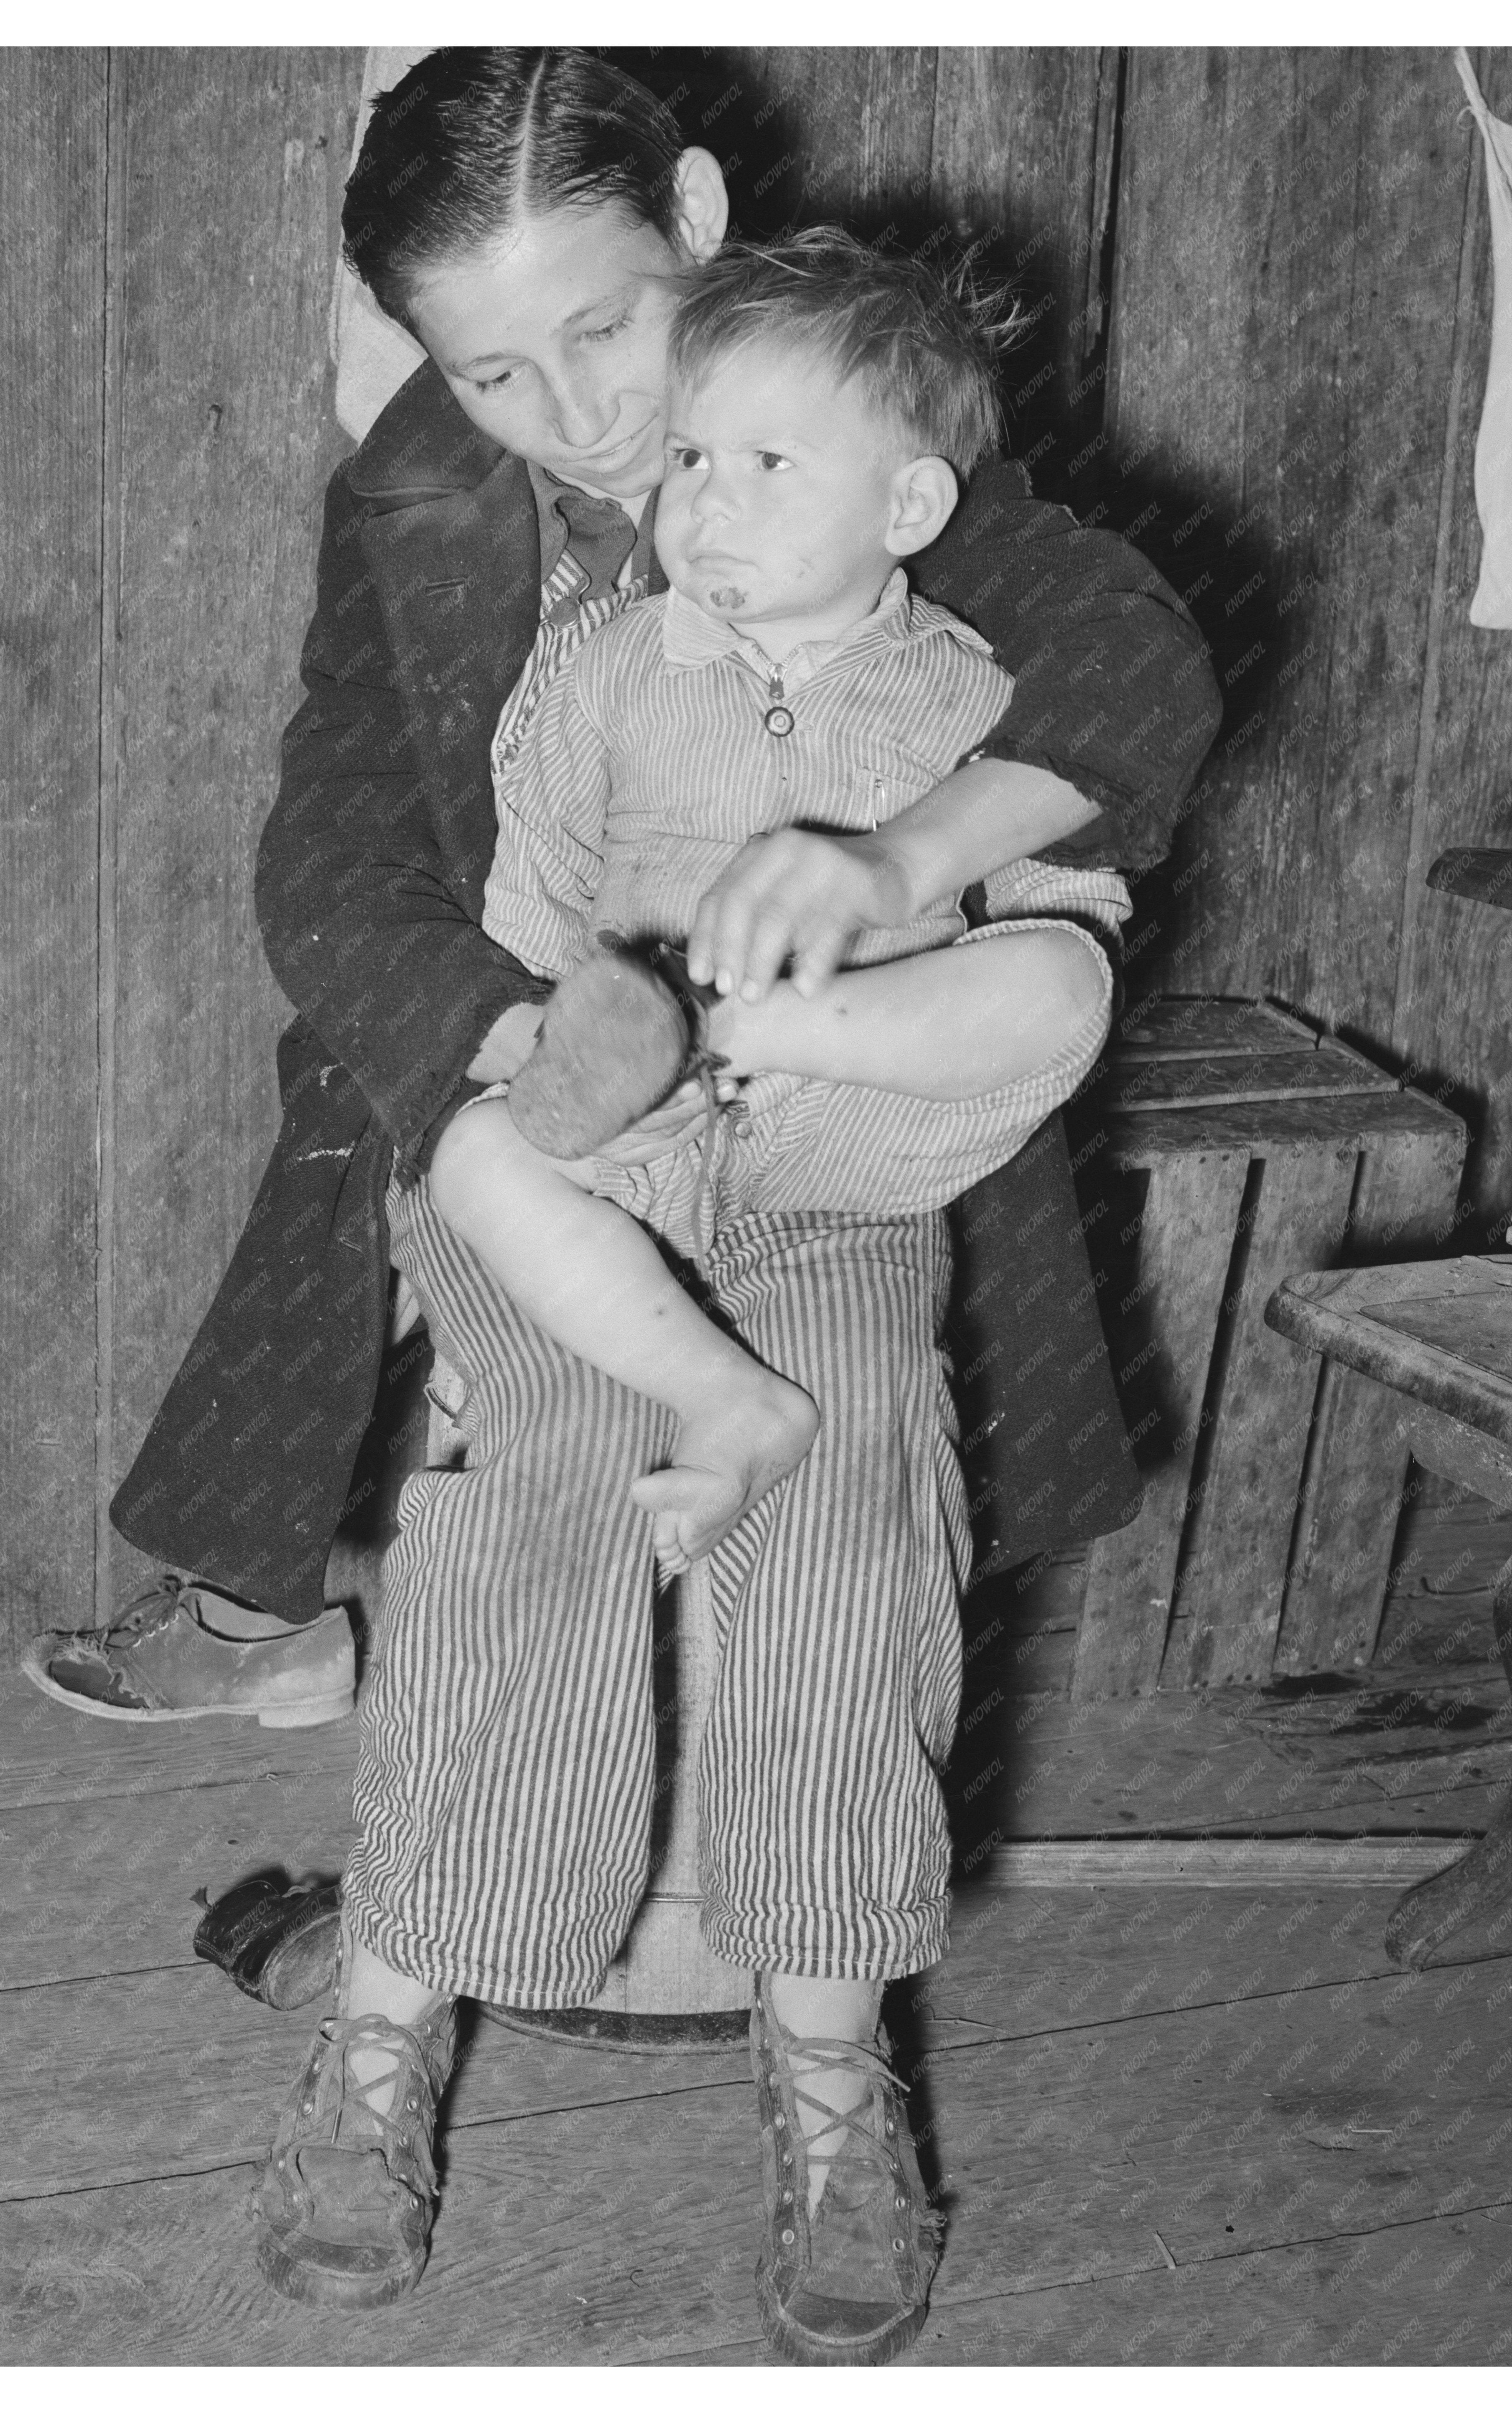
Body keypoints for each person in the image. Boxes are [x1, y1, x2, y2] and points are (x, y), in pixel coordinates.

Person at [202, 52, 1221, 2367]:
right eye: (492, 370)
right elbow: (331, 854)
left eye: (604, 330)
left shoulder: (831, 426)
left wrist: (898, 858)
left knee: (848, 1484)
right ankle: (384, 2045)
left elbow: (1128, 664)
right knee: (534, 1472)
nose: (576, 417)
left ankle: (830, 2077)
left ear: (688, 214)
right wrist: (533, 1049)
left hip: (837, 1153)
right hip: (551, 1125)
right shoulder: (425, 509)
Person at [430, 232, 1130, 1578]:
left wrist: (908, 996)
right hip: (639, 1128)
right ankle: (726, 1398)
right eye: (690, 458)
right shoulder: (605, 671)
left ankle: (722, 1029)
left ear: (907, 507)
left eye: (768, 465)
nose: (709, 504)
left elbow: (1064, 905)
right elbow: (535, 892)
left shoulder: (972, 691)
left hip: (857, 1115)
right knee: (477, 1154)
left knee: (1062, 977)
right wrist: (544, 1050)